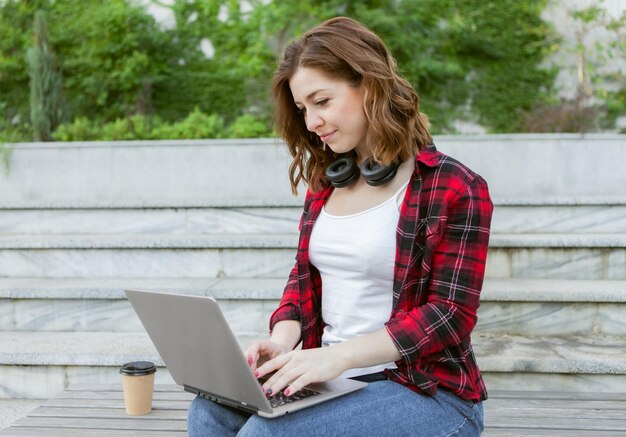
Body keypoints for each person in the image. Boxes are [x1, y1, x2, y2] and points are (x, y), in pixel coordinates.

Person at [188, 16, 492, 436]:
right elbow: (303, 278)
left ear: (369, 86)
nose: (311, 121)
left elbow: (449, 314)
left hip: (426, 390)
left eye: (322, 101)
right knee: (208, 413)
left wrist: (339, 357)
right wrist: (282, 340)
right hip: (333, 376)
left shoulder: (456, 187)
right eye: (302, 109)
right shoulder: (325, 184)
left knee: (269, 433)